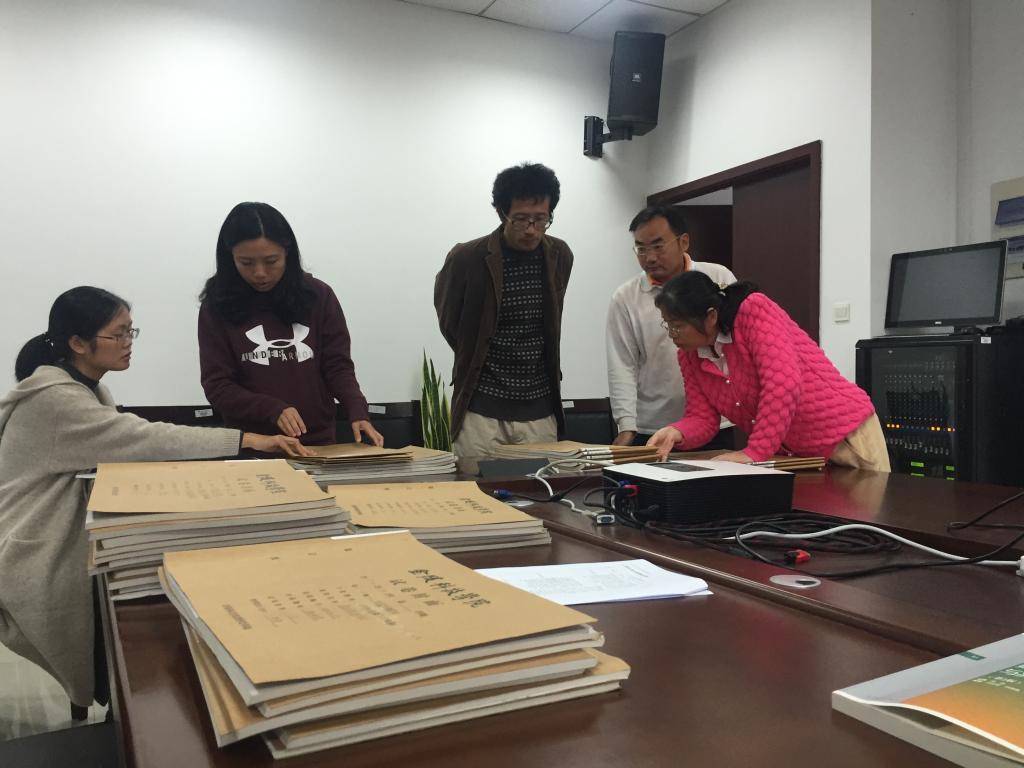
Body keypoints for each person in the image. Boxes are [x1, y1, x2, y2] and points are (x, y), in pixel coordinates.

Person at [0, 287, 310, 715]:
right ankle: (128, 711)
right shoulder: (56, 400)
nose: (129, 343)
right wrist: (248, 439)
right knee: (138, 609)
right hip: (33, 546)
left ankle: (123, 704)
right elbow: (143, 437)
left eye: (131, 332)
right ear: (77, 343)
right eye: (118, 334)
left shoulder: (83, 389)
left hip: (55, 529)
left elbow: (129, 438)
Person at [646, 272, 890, 471]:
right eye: (667, 325)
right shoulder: (689, 355)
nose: (672, 335)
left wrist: (756, 451)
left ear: (710, 316)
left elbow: (783, 385)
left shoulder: (753, 310)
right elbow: (703, 418)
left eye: (677, 326)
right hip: (797, 455)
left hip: (845, 434)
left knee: (870, 513)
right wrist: (677, 432)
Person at [199, 202, 382, 447]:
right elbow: (218, 385)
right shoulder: (216, 306)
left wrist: (357, 409)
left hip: (318, 444)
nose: (260, 273)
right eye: (246, 263)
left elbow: (337, 366)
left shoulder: (318, 296)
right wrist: (272, 409)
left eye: (271, 261)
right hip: (254, 444)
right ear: (229, 258)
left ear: (288, 253)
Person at [434, 163, 573, 474]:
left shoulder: (560, 255)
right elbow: (449, 321)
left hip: (539, 407)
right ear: (501, 213)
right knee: (476, 492)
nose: (531, 229)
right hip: (481, 410)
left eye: (541, 219)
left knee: (540, 492)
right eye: (521, 219)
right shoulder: (467, 257)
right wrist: (476, 355)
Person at [607, 205, 736, 448]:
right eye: (641, 249)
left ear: (683, 242)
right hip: (653, 427)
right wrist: (626, 426)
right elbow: (622, 365)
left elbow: (737, 345)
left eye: (658, 246)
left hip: (717, 422)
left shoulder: (718, 277)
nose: (650, 257)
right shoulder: (625, 297)